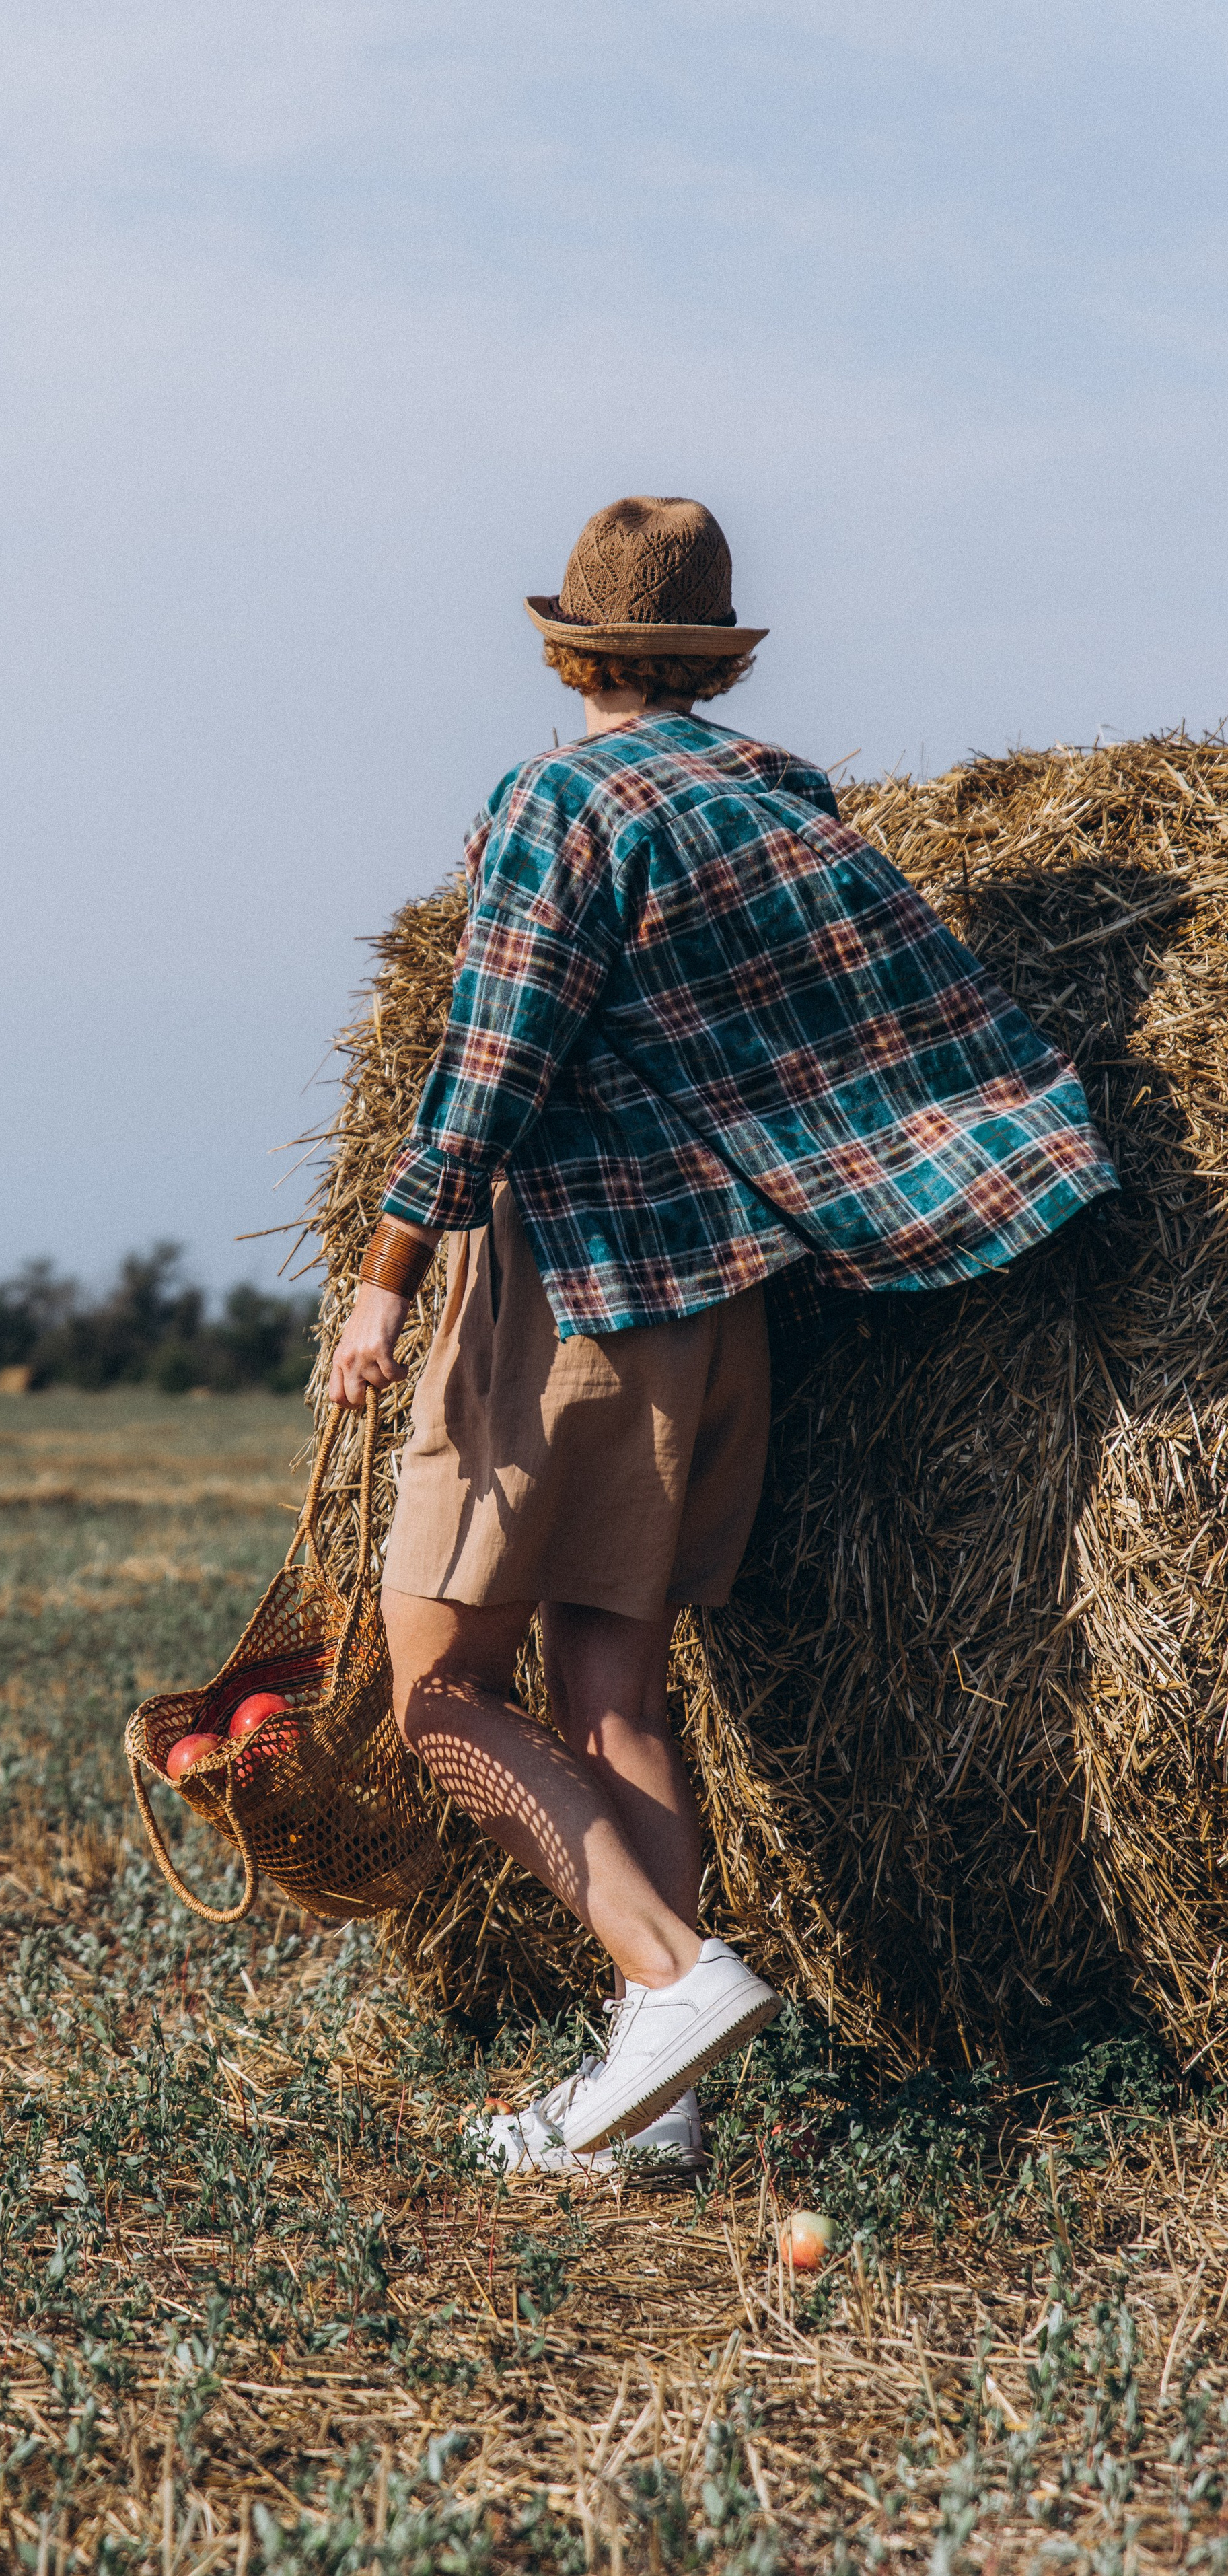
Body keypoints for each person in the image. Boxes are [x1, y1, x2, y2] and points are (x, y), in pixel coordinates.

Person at [327, 495, 1118, 2178]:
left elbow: (488, 1061)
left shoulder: (560, 799)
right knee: (615, 1696)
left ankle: (675, 1985)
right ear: (713, 653)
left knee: (438, 1692)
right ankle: (655, 2105)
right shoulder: (786, 807)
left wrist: (388, 1273)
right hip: (719, 1311)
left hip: (573, 1299)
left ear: (571, 648)